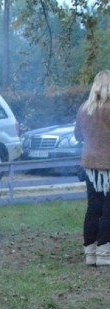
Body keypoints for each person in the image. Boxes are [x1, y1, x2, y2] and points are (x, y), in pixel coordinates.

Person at [75, 69, 110, 267]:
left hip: (89, 166)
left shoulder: (84, 108)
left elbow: (78, 135)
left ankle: (90, 252)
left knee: (93, 208)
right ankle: (104, 252)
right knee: (108, 210)